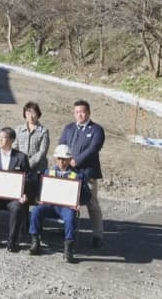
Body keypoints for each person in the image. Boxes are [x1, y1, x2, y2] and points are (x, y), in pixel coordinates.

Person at [29, 144, 91, 263]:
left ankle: (68, 249)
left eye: (65, 159)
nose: (62, 162)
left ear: (69, 160)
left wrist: (79, 201)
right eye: (60, 159)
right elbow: (40, 190)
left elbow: (87, 196)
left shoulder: (78, 175)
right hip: (49, 205)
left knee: (70, 217)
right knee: (36, 211)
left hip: (66, 207)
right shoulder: (48, 172)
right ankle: (35, 241)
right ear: (56, 159)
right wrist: (39, 198)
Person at [58, 99, 105, 249]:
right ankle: (66, 231)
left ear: (88, 112)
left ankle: (97, 235)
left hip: (87, 172)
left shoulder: (97, 129)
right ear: (74, 113)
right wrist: (65, 161)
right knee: (66, 202)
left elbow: (93, 149)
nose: (80, 115)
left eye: (83, 111)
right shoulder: (69, 128)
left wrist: (76, 160)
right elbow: (61, 145)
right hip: (69, 172)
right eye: (77, 112)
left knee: (92, 204)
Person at [13, 101, 49, 203]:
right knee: (21, 196)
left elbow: (42, 151)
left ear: (38, 114)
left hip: (37, 169)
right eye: (28, 113)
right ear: (25, 114)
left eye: (33, 113)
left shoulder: (44, 131)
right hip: (21, 167)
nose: (31, 116)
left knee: (36, 197)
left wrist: (29, 164)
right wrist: (20, 162)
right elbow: (15, 147)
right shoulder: (19, 129)